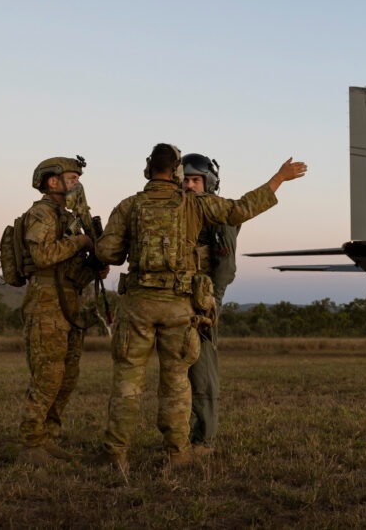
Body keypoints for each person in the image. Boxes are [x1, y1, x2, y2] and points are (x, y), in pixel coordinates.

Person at [94, 143, 306, 472]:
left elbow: (108, 253)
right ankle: (178, 453)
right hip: (178, 306)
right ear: (176, 171)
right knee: (177, 381)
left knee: (127, 382)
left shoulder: (129, 206)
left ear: (148, 168)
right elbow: (240, 209)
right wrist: (278, 178)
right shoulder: (194, 206)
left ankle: (115, 454)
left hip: (137, 306)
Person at [18, 156, 104, 466]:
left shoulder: (67, 216)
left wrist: (94, 265)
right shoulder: (41, 213)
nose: (77, 183)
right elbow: (41, 255)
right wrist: (80, 242)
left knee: (67, 377)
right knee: (47, 377)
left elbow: (68, 260)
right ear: (52, 181)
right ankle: (31, 444)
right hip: (46, 305)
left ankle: (48, 438)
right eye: (71, 178)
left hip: (69, 304)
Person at [181, 153, 236, 455]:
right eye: (185, 180)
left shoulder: (219, 213)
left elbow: (226, 267)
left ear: (209, 183)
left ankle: (204, 439)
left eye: (195, 180)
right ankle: (184, 436)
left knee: (202, 370)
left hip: (203, 301)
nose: (189, 185)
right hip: (177, 300)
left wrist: (212, 303)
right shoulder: (178, 213)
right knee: (181, 371)